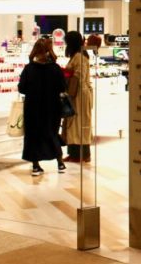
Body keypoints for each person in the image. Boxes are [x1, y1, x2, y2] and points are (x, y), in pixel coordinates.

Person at [19, 37, 67, 176]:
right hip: (52, 107)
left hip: (33, 107)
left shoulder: (29, 69)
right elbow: (63, 87)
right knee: (52, 133)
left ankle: (35, 165)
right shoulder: (55, 69)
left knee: (33, 135)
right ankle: (60, 162)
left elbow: (22, 88)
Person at [63, 30, 94, 162]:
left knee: (79, 123)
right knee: (76, 123)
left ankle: (80, 154)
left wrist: (66, 73)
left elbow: (78, 76)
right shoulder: (78, 55)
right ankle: (75, 153)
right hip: (78, 93)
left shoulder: (79, 56)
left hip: (79, 94)